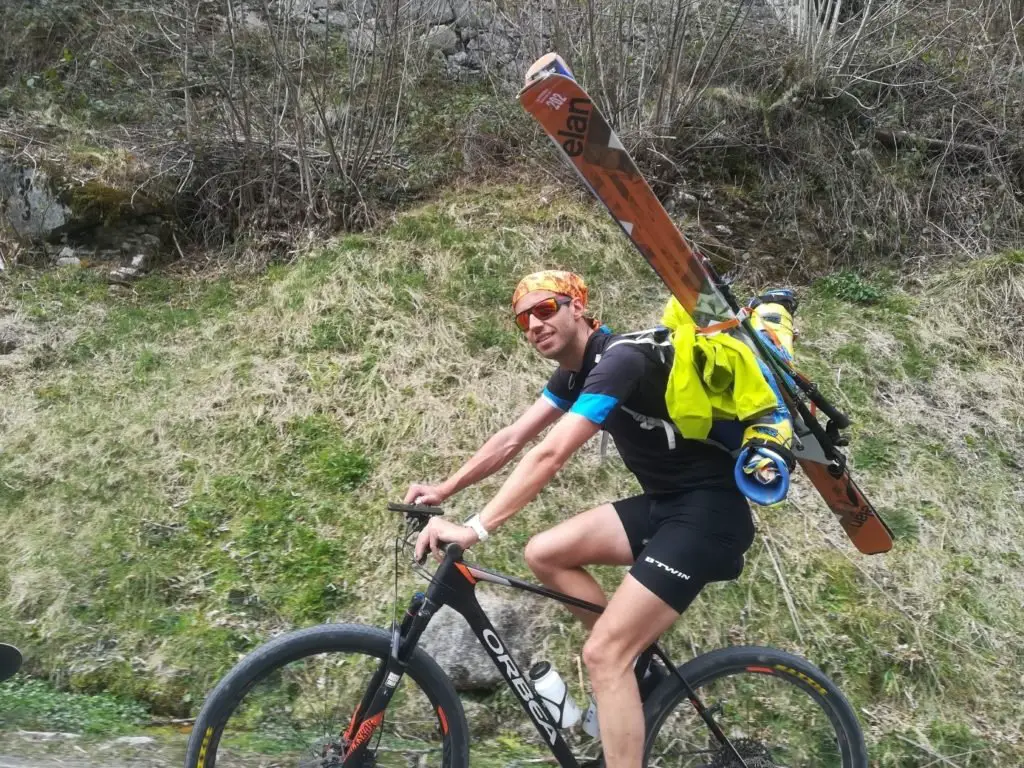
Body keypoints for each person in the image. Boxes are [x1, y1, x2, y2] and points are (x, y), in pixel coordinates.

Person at [409, 270, 755, 768]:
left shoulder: (621, 360)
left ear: (578, 308)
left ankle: (619, 662)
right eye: (523, 318)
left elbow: (550, 455)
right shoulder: (575, 374)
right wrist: (444, 488)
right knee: (546, 552)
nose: (533, 324)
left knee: (602, 656)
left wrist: (473, 527)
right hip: (668, 504)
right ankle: (636, 667)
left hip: (708, 515)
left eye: (545, 309)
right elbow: (512, 439)